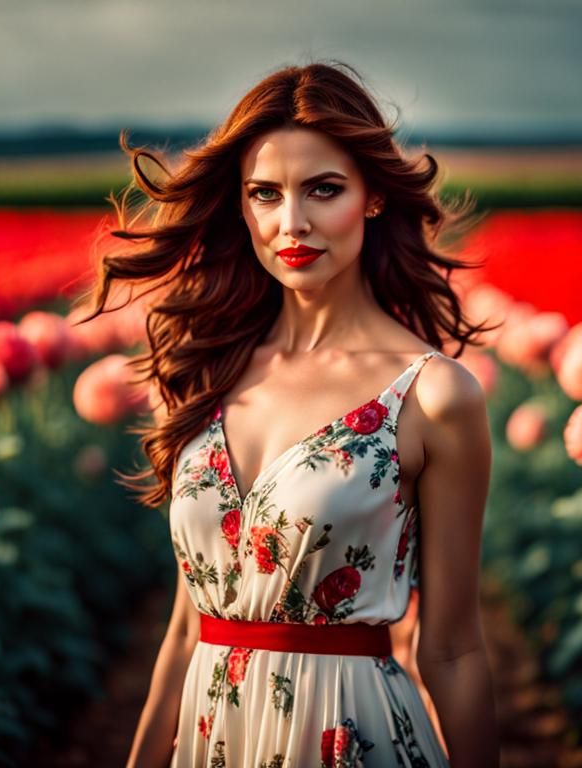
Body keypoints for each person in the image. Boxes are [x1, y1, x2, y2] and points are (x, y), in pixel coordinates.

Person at [80, 60, 498, 768]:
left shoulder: (432, 396)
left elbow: (454, 647)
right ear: (241, 208)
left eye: (323, 190)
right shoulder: (205, 370)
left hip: (349, 735)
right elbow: (187, 632)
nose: (292, 223)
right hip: (214, 737)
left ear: (370, 198)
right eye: (265, 194)